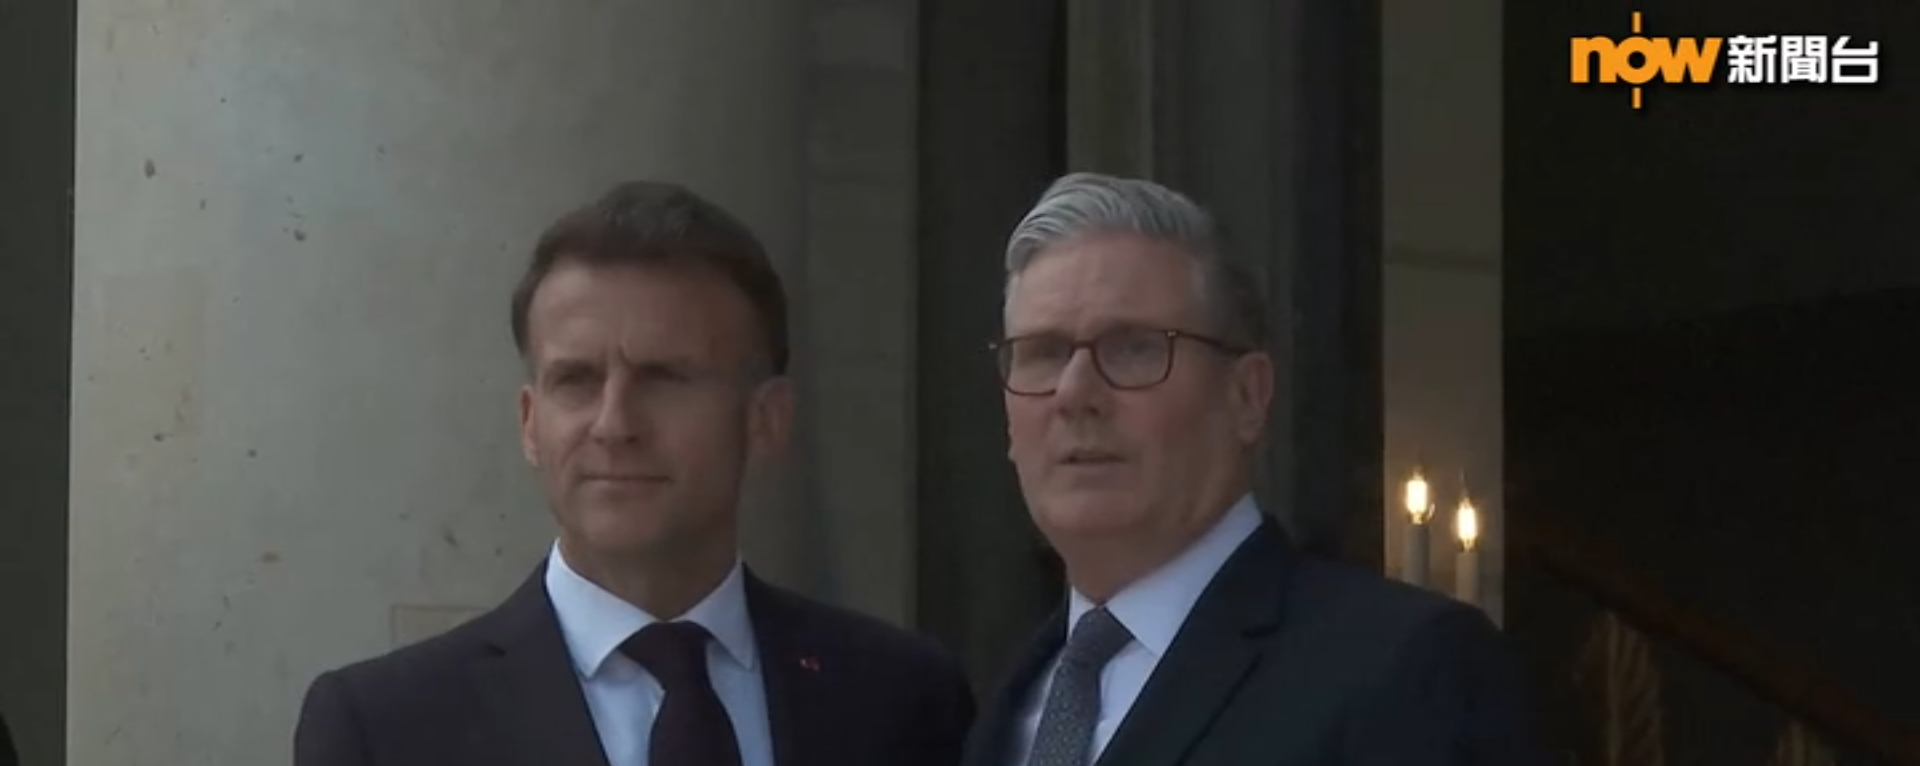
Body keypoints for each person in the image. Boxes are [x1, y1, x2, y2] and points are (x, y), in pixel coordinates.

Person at [295, 181, 974, 766]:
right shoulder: (386, 729)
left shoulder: (901, 698)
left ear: (765, 419)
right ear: (530, 423)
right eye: (576, 380)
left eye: (664, 377)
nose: (614, 424)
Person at [961, 173, 1540, 766]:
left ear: (1247, 396)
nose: (1074, 393)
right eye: (1043, 353)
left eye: (1134, 348)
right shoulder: (1007, 704)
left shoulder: (1409, 666)